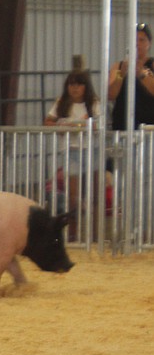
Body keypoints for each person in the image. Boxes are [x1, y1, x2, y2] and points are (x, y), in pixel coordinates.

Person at [46, 69, 103, 237]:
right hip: (71, 150)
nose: (75, 88)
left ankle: (95, 233)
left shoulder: (93, 103)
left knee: (94, 193)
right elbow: (48, 121)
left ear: (86, 87)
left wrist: (75, 126)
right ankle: (73, 233)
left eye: (79, 84)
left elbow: (99, 124)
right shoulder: (62, 102)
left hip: (92, 149)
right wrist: (61, 127)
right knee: (73, 195)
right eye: (72, 84)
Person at [107, 23, 154, 130]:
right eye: (135, 40)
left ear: (149, 43)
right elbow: (110, 95)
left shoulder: (152, 65)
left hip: (149, 128)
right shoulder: (118, 66)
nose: (137, 43)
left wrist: (142, 76)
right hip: (123, 125)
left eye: (142, 40)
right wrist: (121, 74)